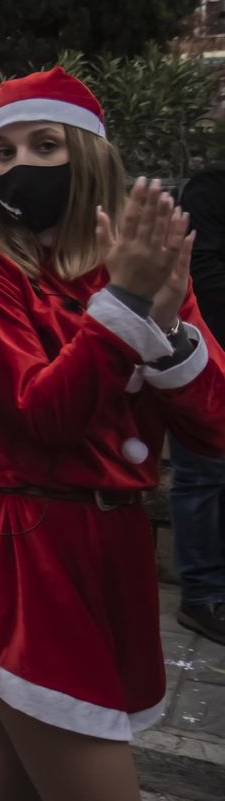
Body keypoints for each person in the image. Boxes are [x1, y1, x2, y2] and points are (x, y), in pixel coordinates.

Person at [0, 68, 225, 801]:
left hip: (113, 556)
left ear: (89, 156)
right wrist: (124, 305)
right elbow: (44, 415)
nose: (20, 167)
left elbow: (215, 427)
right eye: (2, 153)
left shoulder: (142, 274)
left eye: (44, 144)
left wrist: (167, 323)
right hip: (26, 555)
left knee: (6, 787)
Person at [173, 160, 225, 644]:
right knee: (203, 476)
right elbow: (202, 275)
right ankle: (203, 594)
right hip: (209, 355)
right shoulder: (211, 188)